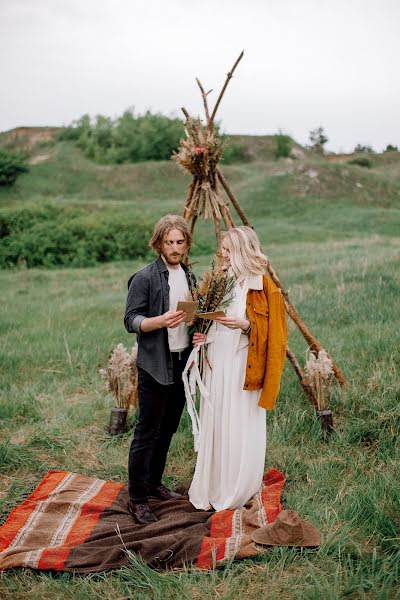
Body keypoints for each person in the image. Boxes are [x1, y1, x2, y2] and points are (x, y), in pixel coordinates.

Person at [188, 226, 287, 511]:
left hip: (245, 363)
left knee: (239, 420)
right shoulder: (221, 281)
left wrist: (246, 326)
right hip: (217, 359)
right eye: (224, 251)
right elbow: (206, 319)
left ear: (244, 251)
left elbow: (276, 335)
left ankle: (237, 486)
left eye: (230, 251)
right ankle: (213, 483)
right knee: (217, 419)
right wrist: (202, 334)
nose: (224, 256)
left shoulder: (264, 286)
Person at [124, 214, 195, 524]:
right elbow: (131, 320)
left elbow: (190, 317)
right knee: (146, 433)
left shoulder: (190, 276)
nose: (175, 247)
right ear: (159, 243)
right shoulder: (144, 278)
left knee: (167, 429)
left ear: (186, 244)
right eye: (169, 242)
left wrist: (198, 327)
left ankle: (153, 484)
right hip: (154, 365)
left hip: (182, 363)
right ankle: (137, 499)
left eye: (180, 242)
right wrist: (158, 322)